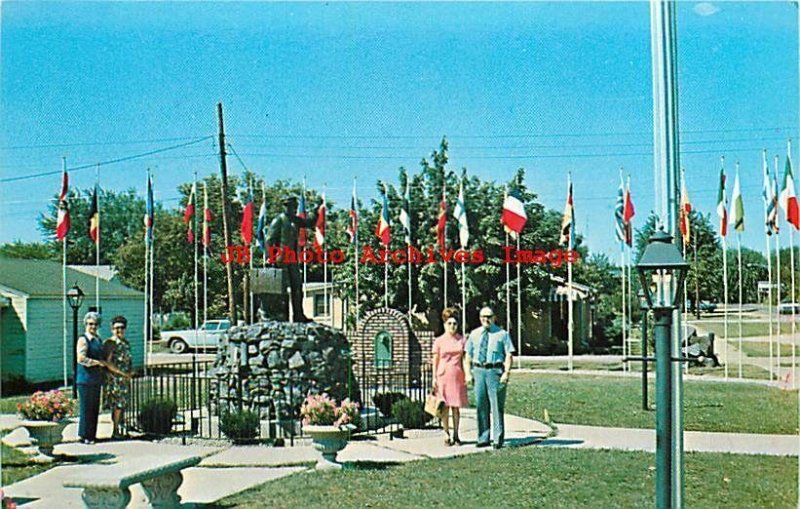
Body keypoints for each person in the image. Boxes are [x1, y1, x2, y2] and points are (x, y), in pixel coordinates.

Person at [464, 306, 514, 449]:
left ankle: (498, 439)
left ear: (494, 317)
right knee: (481, 405)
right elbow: (467, 355)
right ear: (480, 318)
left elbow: (509, 355)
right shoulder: (474, 334)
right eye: (483, 317)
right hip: (479, 370)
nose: (486, 319)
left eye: (489, 316)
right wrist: (468, 373)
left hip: (495, 371)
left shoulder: (502, 334)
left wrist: (506, 373)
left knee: (496, 405)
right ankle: (483, 437)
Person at [265, 196, 317, 322]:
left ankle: (298, 315)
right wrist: (270, 256)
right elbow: (268, 239)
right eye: (290, 207)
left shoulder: (296, 220)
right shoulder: (279, 220)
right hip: (281, 259)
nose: (293, 209)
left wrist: (316, 212)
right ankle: (281, 316)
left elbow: (308, 223)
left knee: (297, 287)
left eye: (294, 207)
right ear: (286, 207)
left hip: (292, 258)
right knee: (281, 289)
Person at [432, 307, 469, 446]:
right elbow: (435, 361)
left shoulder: (462, 340)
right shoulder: (439, 341)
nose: (452, 326)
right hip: (443, 375)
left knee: (456, 407)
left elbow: (465, 359)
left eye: (454, 324)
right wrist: (434, 378)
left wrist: (467, 374)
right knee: (445, 407)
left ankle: (456, 434)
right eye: (449, 323)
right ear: (444, 325)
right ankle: (446, 433)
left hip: (457, 375)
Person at [76, 311, 108, 444]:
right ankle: (84, 435)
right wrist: (96, 363)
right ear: (85, 324)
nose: (92, 327)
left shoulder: (98, 340)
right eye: (90, 324)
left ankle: (92, 434)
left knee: (94, 408)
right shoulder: (84, 340)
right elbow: (81, 358)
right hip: (85, 379)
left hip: (96, 379)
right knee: (86, 408)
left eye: (95, 324)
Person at [103, 316, 134, 439]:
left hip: (124, 379)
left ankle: (121, 428)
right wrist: (122, 373)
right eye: (116, 328)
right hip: (114, 379)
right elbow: (108, 363)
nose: (119, 330)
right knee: (117, 405)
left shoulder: (126, 343)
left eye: (121, 328)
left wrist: (130, 372)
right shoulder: (110, 343)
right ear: (112, 329)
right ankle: (115, 430)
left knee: (123, 405)